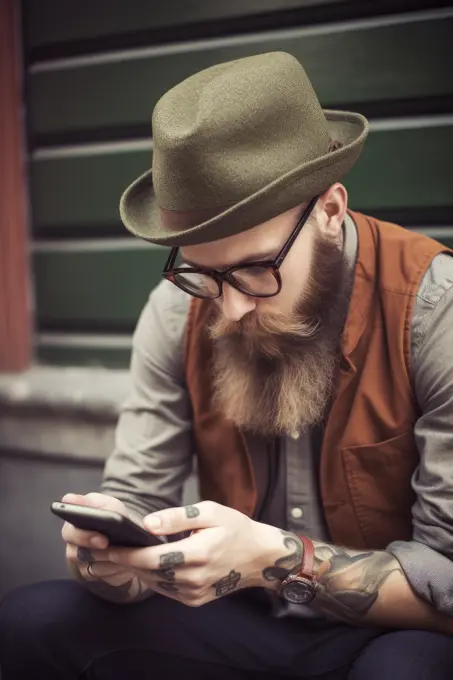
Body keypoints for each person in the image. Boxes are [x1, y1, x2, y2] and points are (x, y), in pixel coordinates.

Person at [1, 51, 453, 680]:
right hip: (241, 620)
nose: (232, 308)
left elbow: (449, 585)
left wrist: (279, 559)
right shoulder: (174, 312)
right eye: (205, 275)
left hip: (393, 632)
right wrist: (107, 559)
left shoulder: (434, 307)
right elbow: (136, 497)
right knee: (30, 622)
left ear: (329, 209)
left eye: (257, 269)